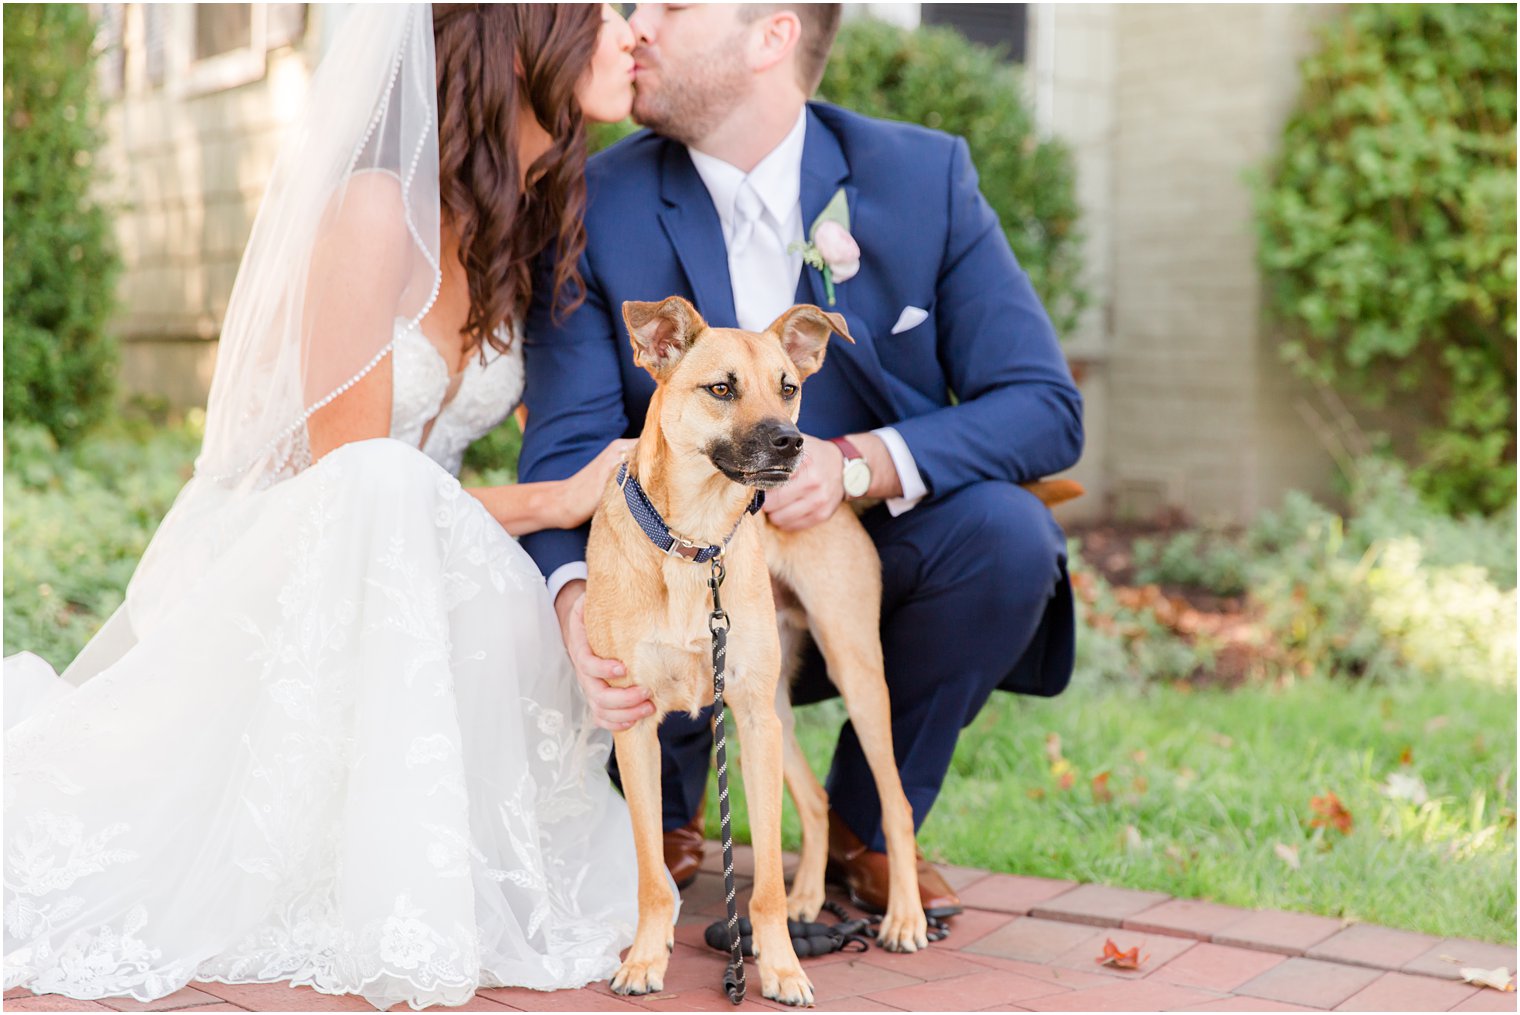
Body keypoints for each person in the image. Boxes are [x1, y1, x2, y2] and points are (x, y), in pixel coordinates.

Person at [3, 6, 656, 1010]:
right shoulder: (372, 209)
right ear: (528, 36)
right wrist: (552, 499)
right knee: (390, 487)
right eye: (605, 11)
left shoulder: (516, 217)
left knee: (468, 550)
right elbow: (348, 484)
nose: (630, 31)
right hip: (277, 551)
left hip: (399, 553)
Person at [518, 3, 1084, 919]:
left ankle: (861, 828)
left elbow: (1044, 406)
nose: (636, 26)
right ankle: (662, 812)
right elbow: (568, 450)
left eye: (672, 5)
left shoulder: (921, 176)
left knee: (1011, 535)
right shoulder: (592, 200)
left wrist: (855, 463)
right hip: (664, 583)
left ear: (771, 36)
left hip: (843, 567)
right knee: (612, 558)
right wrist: (579, 607)